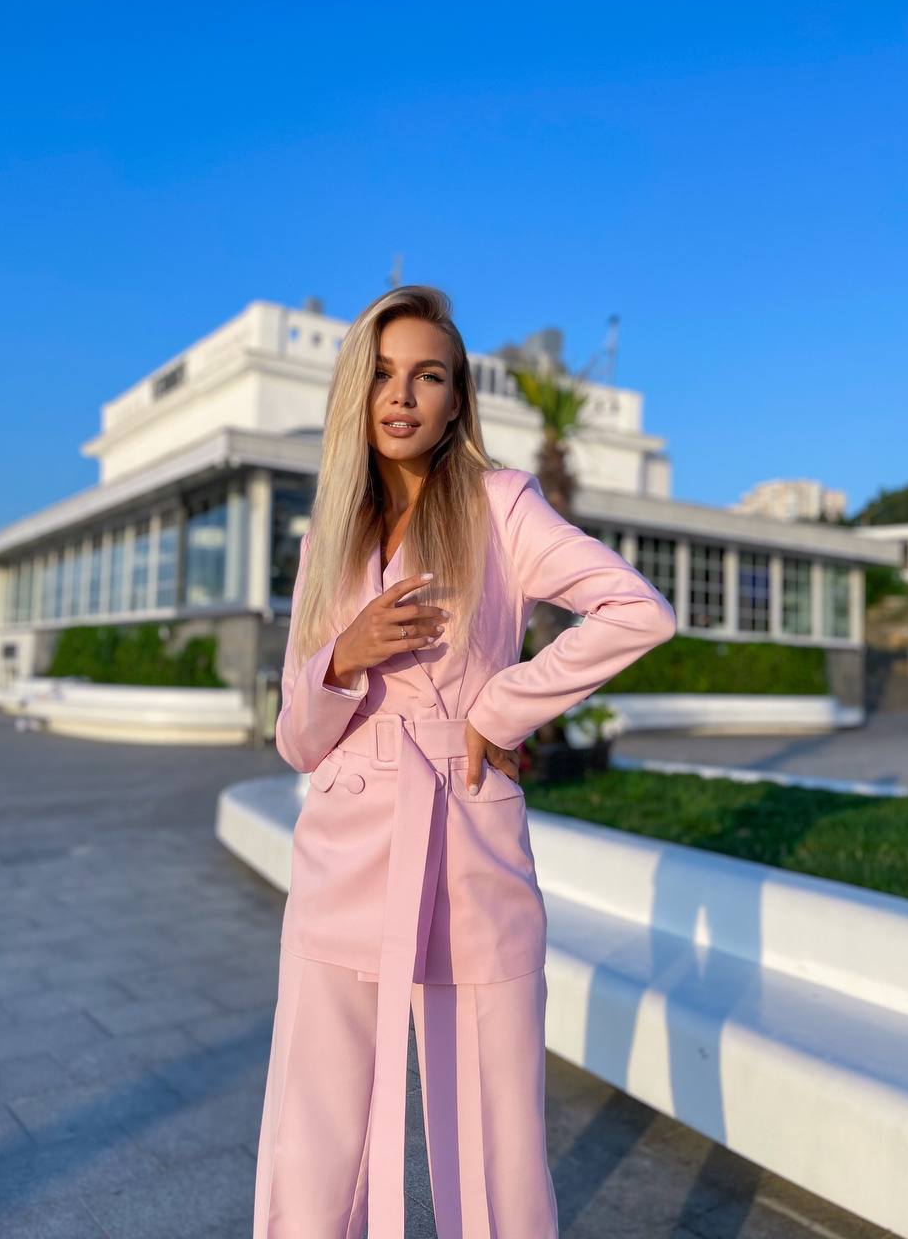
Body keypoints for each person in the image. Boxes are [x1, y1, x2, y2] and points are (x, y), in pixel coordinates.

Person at [253, 284, 677, 1238]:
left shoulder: (502, 506)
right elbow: (296, 738)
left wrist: (502, 704)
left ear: (456, 401)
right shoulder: (328, 539)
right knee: (312, 1143)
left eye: (427, 376)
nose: (401, 396)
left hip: (468, 837)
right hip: (342, 844)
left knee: (495, 1150)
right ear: (356, 395)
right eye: (383, 374)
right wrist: (341, 657)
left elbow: (638, 610)